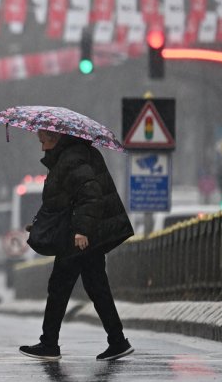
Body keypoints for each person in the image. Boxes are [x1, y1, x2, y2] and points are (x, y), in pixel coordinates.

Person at [19, 130, 135, 362]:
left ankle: (49, 344)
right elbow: (63, 201)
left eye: (43, 141)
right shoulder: (72, 156)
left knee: (59, 288)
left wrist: (82, 230)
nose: (42, 148)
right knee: (96, 287)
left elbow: (90, 195)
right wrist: (42, 226)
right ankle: (117, 341)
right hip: (82, 236)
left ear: (55, 139)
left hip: (78, 239)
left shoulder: (72, 159)